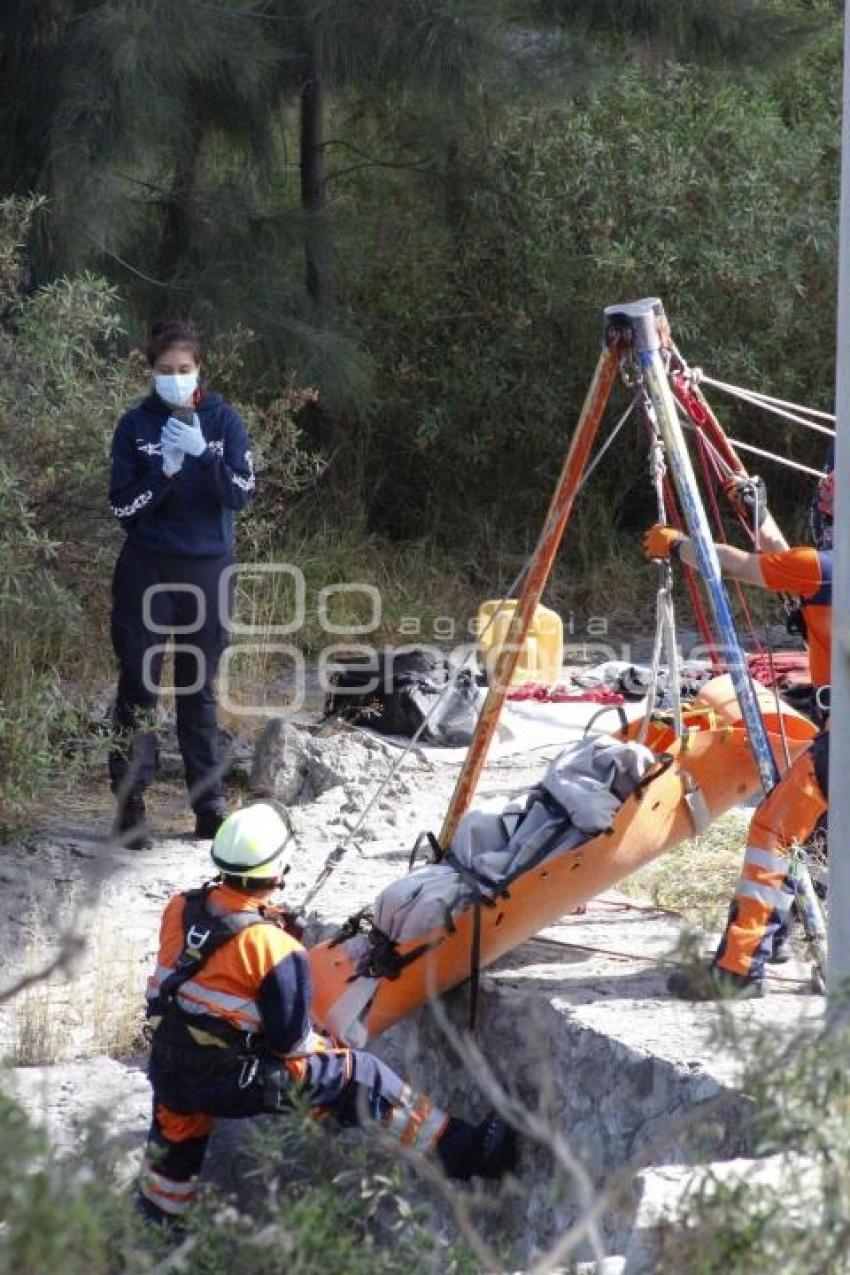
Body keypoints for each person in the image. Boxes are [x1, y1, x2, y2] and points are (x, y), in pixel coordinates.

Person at [136, 802, 517, 1225]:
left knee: (174, 1147)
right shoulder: (274, 948)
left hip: (170, 1067)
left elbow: (212, 969)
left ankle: (154, 1231)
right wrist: (329, 1047)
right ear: (279, 869)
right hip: (231, 1082)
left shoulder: (179, 908)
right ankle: (470, 1152)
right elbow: (290, 1044)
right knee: (359, 1076)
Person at [642, 459, 833, 999]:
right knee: (814, 840)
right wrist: (756, 511)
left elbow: (748, 567)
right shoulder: (827, 569)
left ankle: (739, 968)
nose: (825, 499)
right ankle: (770, 947)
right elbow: (786, 562)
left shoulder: (830, 568)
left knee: (774, 833)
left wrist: (678, 545)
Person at [108, 321, 256, 849]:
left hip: (207, 570)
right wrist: (162, 471)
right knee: (138, 689)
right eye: (165, 371)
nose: (174, 378)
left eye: (184, 370)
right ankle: (130, 809)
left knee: (199, 691)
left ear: (199, 371)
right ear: (152, 371)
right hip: (146, 570)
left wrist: (203, 454)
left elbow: (240, 493)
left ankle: (209, 809)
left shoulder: (223, 421)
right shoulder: (135, 426)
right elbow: (123, 509)